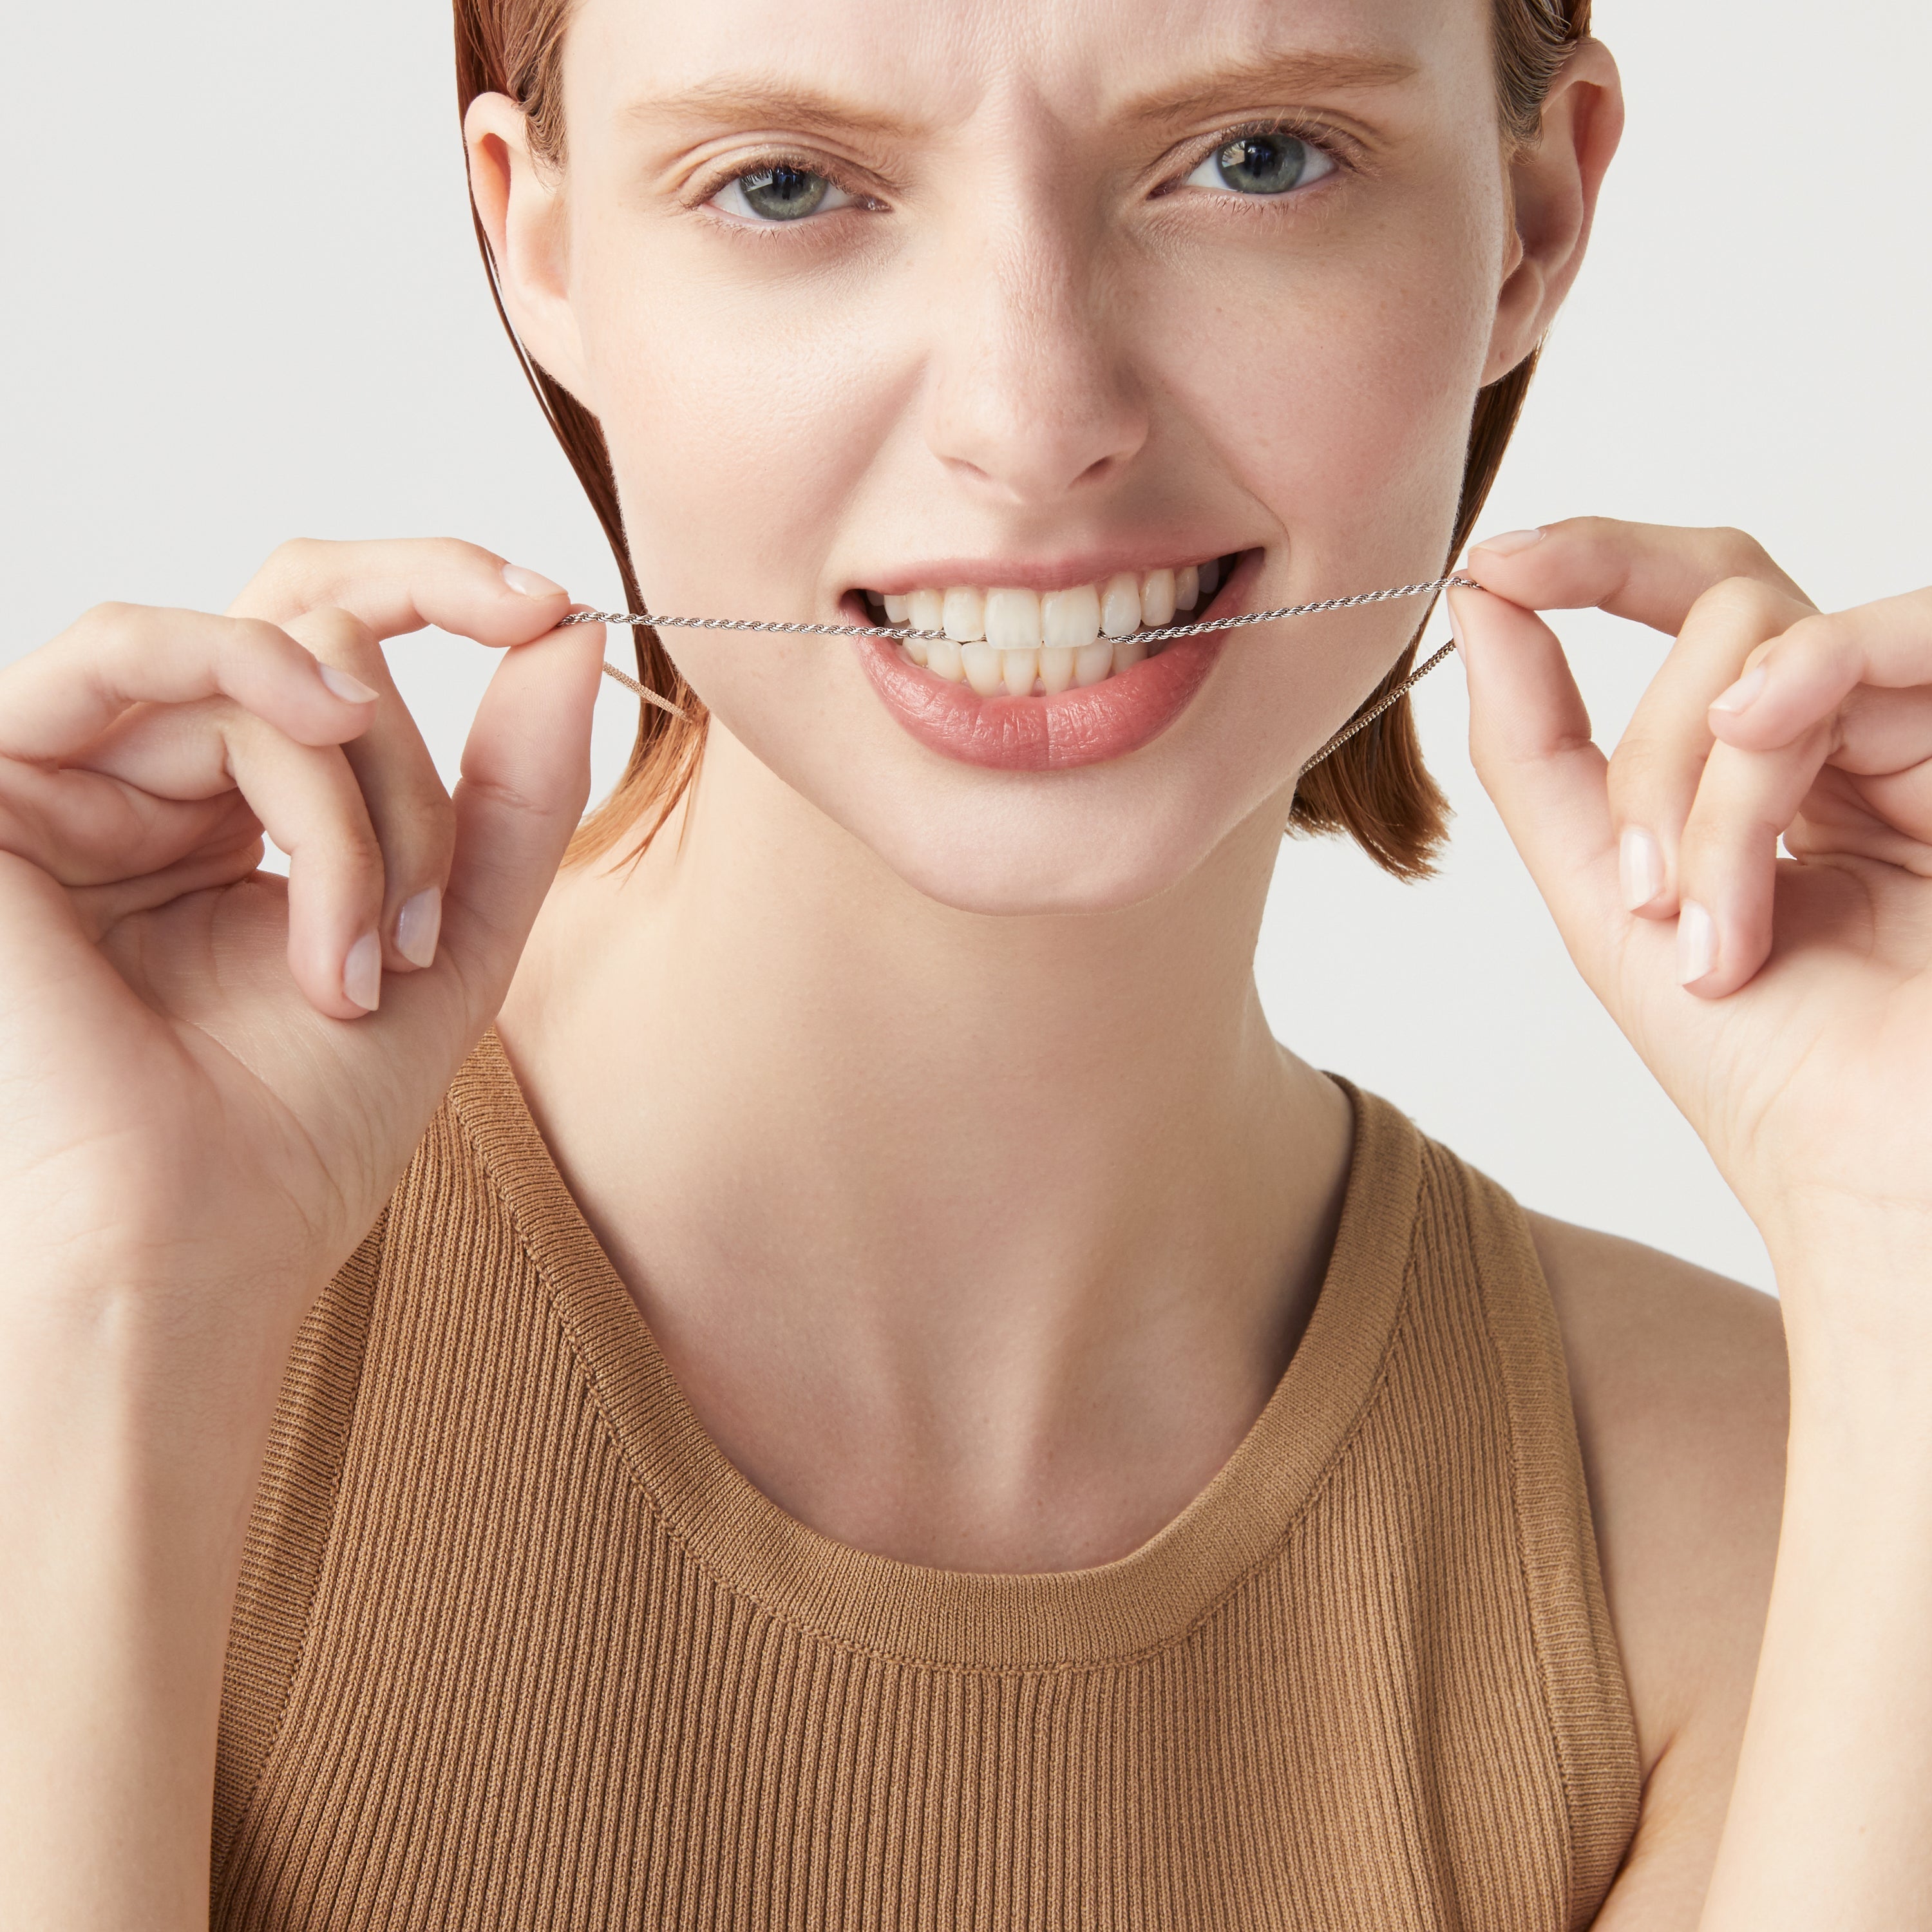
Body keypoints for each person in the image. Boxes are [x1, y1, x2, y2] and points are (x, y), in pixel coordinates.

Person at [3, 0, 1927, 1923]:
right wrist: (107, 1318)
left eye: (1256, 158)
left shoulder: (1788, 1519)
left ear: (1534, 217)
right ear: (544, 249)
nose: (1031, 419)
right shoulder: (115, 1297)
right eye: (784, 184)